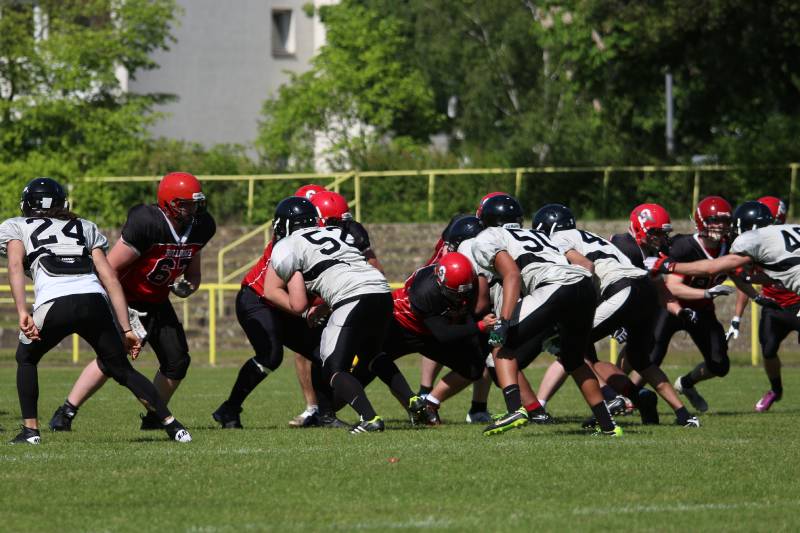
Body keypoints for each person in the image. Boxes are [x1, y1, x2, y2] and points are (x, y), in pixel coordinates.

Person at [2, 177, 191, 444]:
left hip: (55, 302)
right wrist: (126, 328)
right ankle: (175, 427)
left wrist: (22, 309)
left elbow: (13, 267)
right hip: (94, 300)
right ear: (62, 203)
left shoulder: (15, 226)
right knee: (121, 369)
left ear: (26, 205)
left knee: (27, 358)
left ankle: (31, 432)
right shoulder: (84, 226)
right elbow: (110, 278)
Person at [48, 172, 215, 431]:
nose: (192, 209)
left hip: (158, 301)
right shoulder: (148, 223)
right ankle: (66, 411)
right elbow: (109, 269)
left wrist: (187, 288)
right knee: (113, 358)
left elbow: (193, 274)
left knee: (177, 360)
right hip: (127, 299)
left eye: (195, 203)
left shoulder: (201, 227)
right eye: (185, 203)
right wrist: (124, 312)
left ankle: (154, 418)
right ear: (168, 202)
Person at [462, 194, 621, 436]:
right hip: (584, 286)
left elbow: (512, 274)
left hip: (555, 286)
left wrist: (504, 321)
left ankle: (515, 409)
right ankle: (607, 425)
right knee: (574, 360)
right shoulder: (539, 234)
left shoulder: (487, 237)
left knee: (499, 341)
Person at [532, 204, 700, 427]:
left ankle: (611, 398)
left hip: (622, 290)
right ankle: (682, 414)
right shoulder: (590, 236)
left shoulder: (557, 239)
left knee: (570, 345)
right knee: (640, 360)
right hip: (644, 290)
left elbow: (586, 267)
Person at [263, 196, 398, 433]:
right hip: (382, 292)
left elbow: (298, 304)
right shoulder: (336, 233)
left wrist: (308, 311)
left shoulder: (287, 245)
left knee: (334, 369)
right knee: (373, 356)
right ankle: (414, 404)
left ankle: (370, 419)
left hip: (353, 297)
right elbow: (348, 271)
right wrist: (325, 307)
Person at [351, 252, 495, 425]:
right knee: (361, 375)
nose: (461, 299)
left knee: (473, 368)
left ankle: (429, 405)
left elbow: (467, 310)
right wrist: (479, 327)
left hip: (428, 332)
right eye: (455, 293)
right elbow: (443, 333)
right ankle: (326, 410)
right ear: (440, 281)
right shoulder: (425, 290)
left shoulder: (467, 283)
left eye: (464, 292)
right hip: (400, 325)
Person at [287, 189, 386, 427]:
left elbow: (374, 266)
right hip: (333, 297)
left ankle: (350, 413)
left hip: (343, 298)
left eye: (343, 220)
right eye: (334, 221)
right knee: (312, 353)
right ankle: (315, 408)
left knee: (341, 363)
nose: (340, 226)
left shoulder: (351, 233)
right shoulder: (297, 240)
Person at [648, 196, 736, 413]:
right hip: (671, 307)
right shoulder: (684, 246)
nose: (720, 226)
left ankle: (686, 384)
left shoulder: (731, 246)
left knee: (719, 365)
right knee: (650, 359)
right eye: (715, 220)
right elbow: (673, 286)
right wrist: (706, 292)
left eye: (724, 221)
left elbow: (741, 275)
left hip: (702, 311)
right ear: (701, 221)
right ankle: (626, 397)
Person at [417, 213, 494, 423]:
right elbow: (481, 304)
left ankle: (428, 395)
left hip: (450, 309)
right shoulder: (471, 249)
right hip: (458, 310)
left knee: (475, 361)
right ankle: (433, 399)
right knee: (480, 360)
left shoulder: (458, 244)